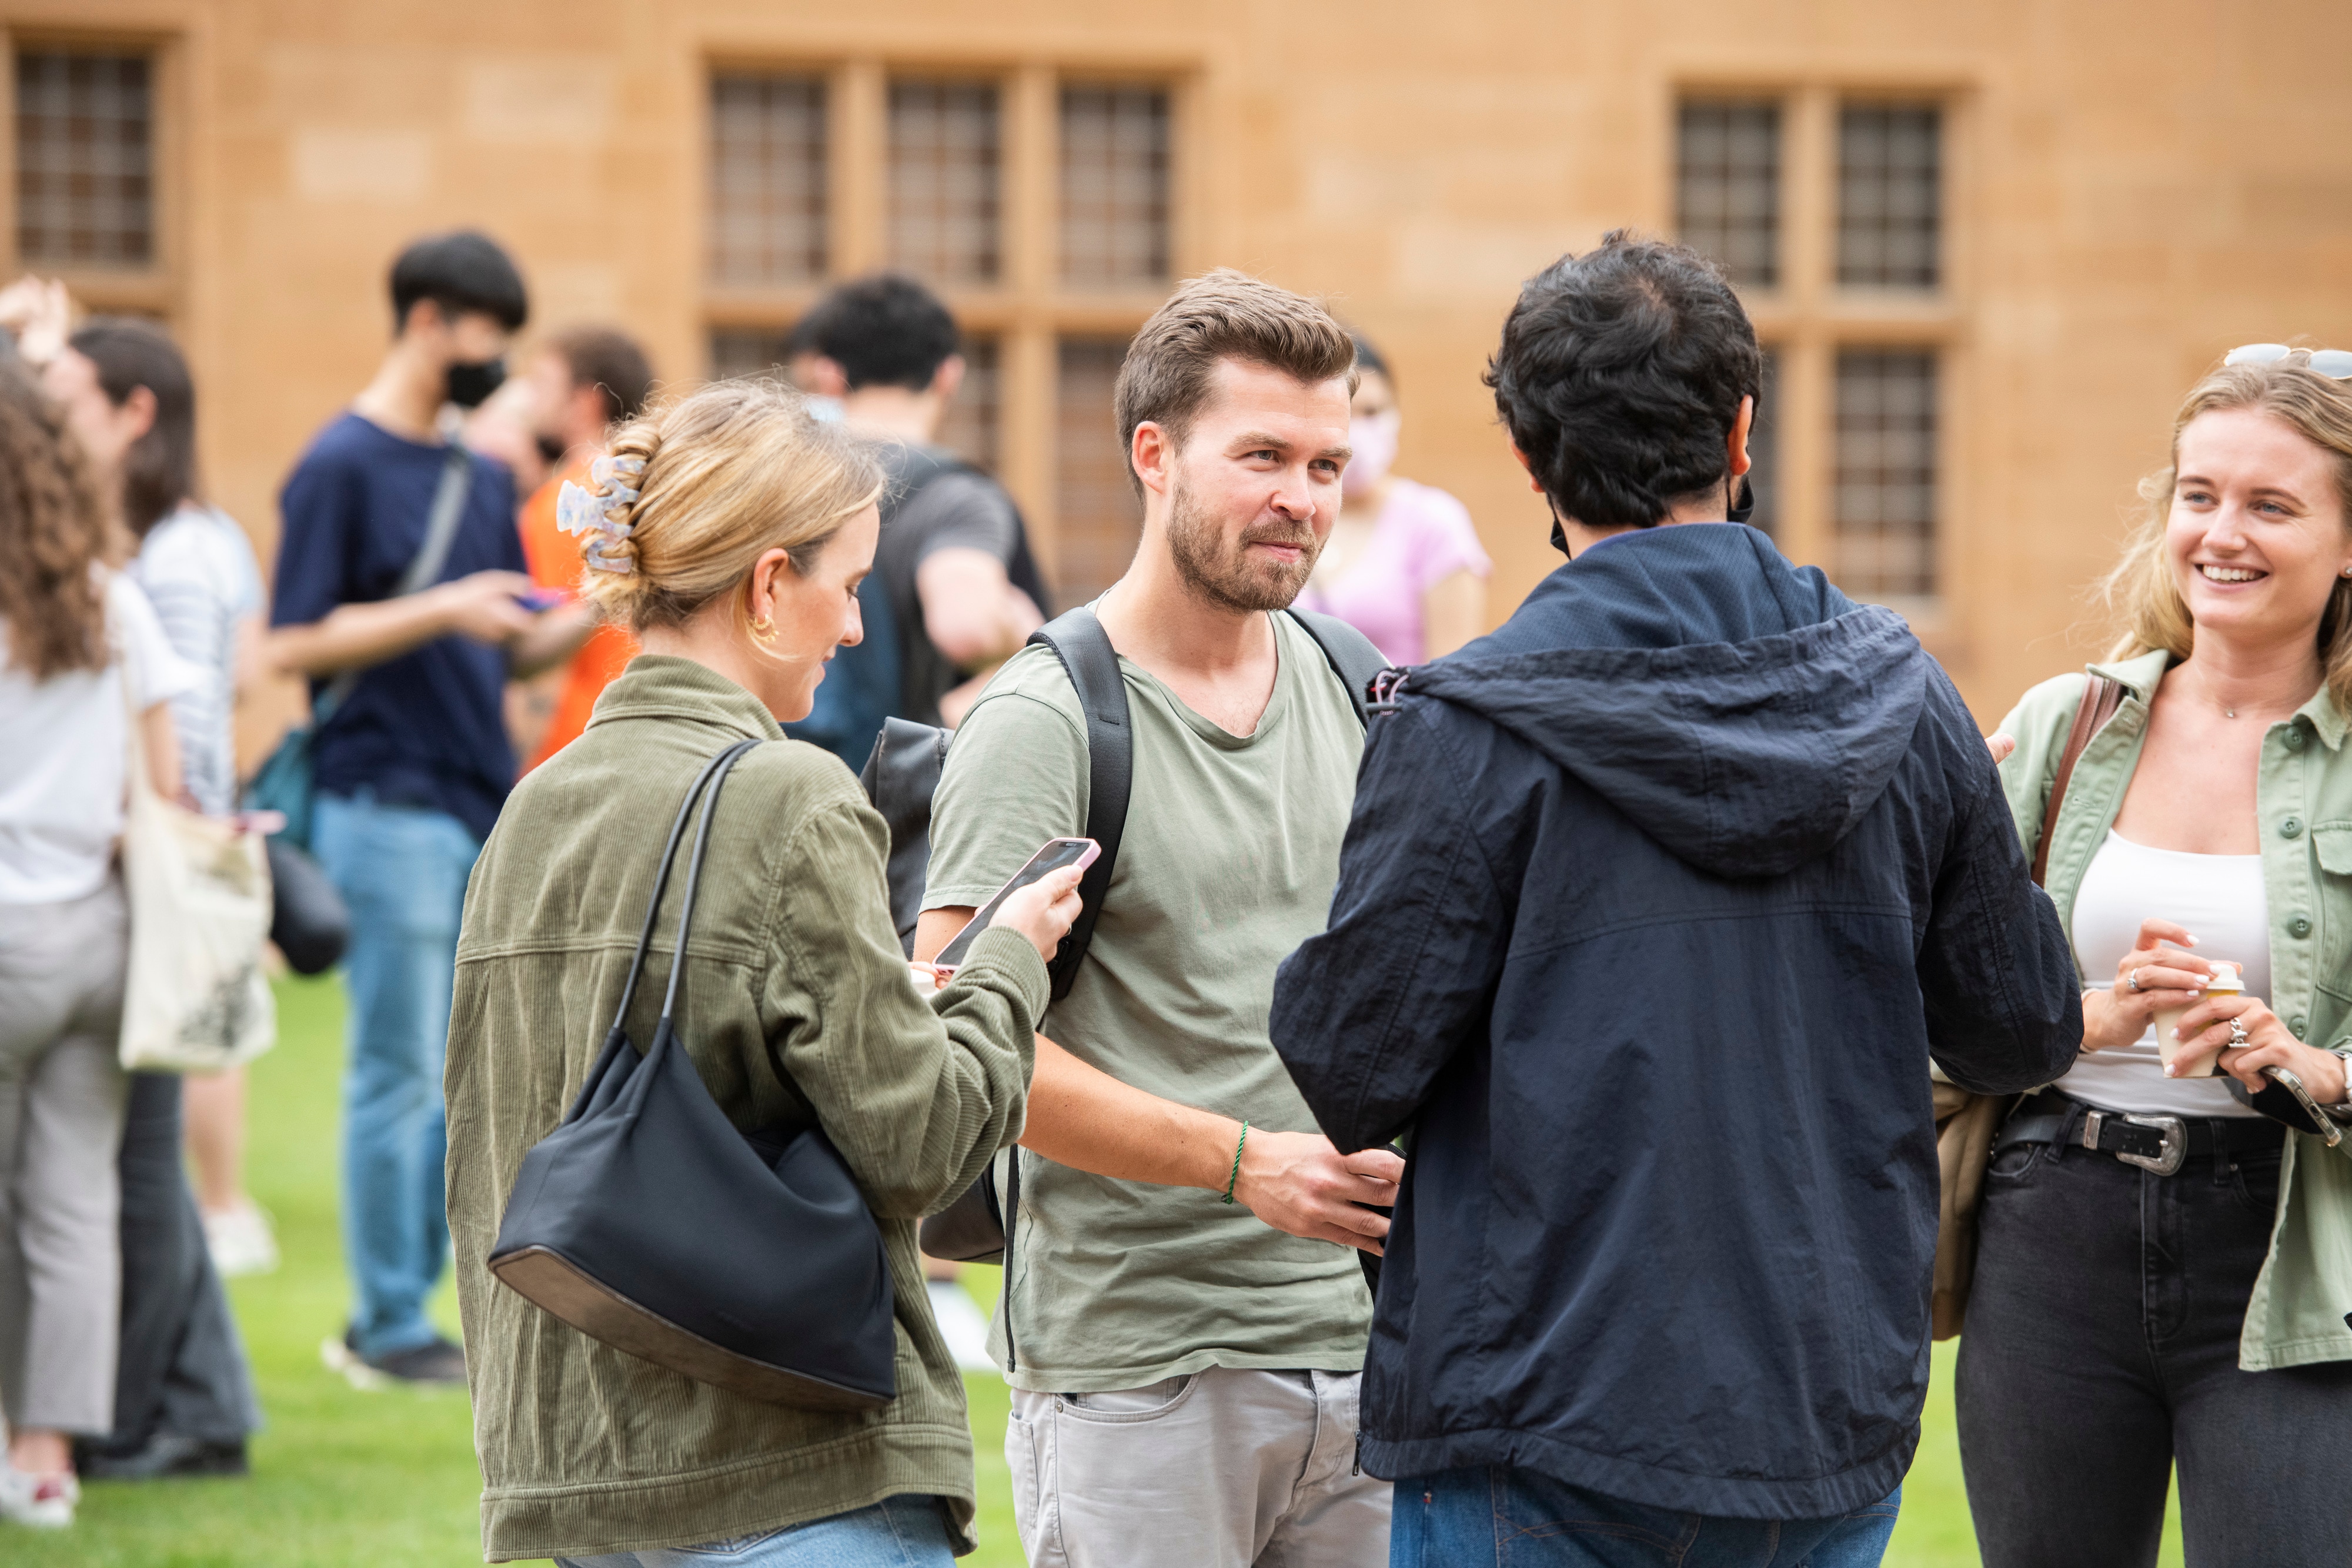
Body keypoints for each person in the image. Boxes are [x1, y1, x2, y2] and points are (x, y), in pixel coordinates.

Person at [1267, 233, 2084, 1568]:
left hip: (1536, 1408)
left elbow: (1349, 1061)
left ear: (1527, 458)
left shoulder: (1464, 726)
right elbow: (2019, 1027)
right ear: (1742, 431)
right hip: (1820, 1409)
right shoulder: (1905, 689)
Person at [443, 378, 1081, 1566]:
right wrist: (1004, 961)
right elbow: (921, 1141)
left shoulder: (528, 810)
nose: (851, 628)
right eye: (845, 586)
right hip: (786, 1474)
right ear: (767, 583)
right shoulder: (787, 794)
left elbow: (495, 1141)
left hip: (571, 1471)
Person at [913, 270, 1399, 1567]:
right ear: (1154, 455)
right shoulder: (1047, 717)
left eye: (1324, 462)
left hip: (1370, 1357)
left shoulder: (1360, 688)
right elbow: (958, 1051)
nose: (1299, 496)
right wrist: (1243, 1163)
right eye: (1259, 455)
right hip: (1137, 1371)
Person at [1956, 345, 2352, 1568]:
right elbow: (1936, 990)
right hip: (2048, 1233)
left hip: (2287, 1258)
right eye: (2197, 494)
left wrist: (2314, 1065)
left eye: (2268, 504)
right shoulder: (2061, 726)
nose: (2218, 533)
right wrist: (2081, 1016)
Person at [265, 230, 592, 1388]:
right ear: (424, 319)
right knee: (398, 1069)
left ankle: (448, 1309)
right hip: (380, 798)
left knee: (473, 1080)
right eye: (482, 334)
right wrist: (443, 606)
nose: (493, 359)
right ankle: (385, 1323)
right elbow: (289, 641)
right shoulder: (339, 465)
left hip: (470, 800)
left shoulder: (471, 470)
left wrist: (605, 591)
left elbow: (503, 653)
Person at [39, 317, 265, 1478]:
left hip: (162, 876)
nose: (48, 416)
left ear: (134, 412)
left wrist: (173, 868)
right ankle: (199, 1404)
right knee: (136, 1161)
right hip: (160, 872)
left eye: (66, 395)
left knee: (130, 1166)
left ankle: (149, 1415)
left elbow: (184, 747)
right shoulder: (173, 541)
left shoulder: (168, 557)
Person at [0, 352, 194, 1529]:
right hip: (99, 935)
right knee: (73, 1202)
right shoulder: (112, 601)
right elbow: (161, 795)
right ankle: (48, 1458)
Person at [789, 273, 1048, 764]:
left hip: (771, 768)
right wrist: (1023, 626)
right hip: (887, 798)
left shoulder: (783, 479)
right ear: (949, 375)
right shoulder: (955, 496)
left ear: (828, 376)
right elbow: (965, 624)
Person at [1294, 334, 1489, 663]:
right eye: (1345, 414)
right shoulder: (1290, 513)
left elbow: (1455, 677)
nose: (1357, 430)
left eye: (1372, 411)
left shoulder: (1434, 522)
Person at [513, 326, 656, 768]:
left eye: (542, 384)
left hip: (580, 745)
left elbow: (538, 643)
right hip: (657, 734)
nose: (528, 400)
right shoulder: (659, 485)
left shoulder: (566, 500)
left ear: (585, 401)